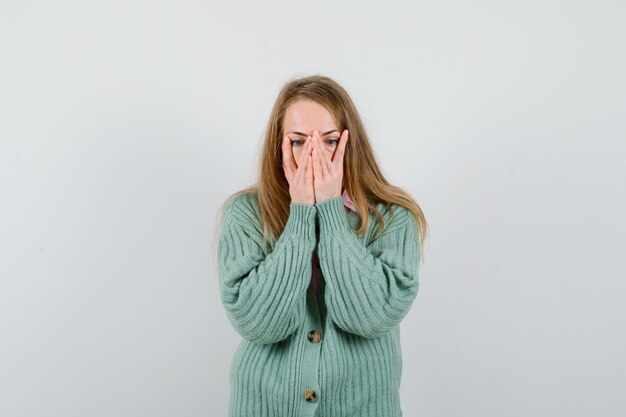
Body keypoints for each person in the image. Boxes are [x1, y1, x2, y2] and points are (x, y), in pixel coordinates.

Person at [215, 74, 428, 417]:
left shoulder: (394, 217)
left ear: (349, 144)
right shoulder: (245, 214)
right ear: (279, 146)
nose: (315, 155)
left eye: (329, 141)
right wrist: (300, 215)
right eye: (298, 142)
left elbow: (370, 317)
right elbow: (258, 323)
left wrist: (329, 210)